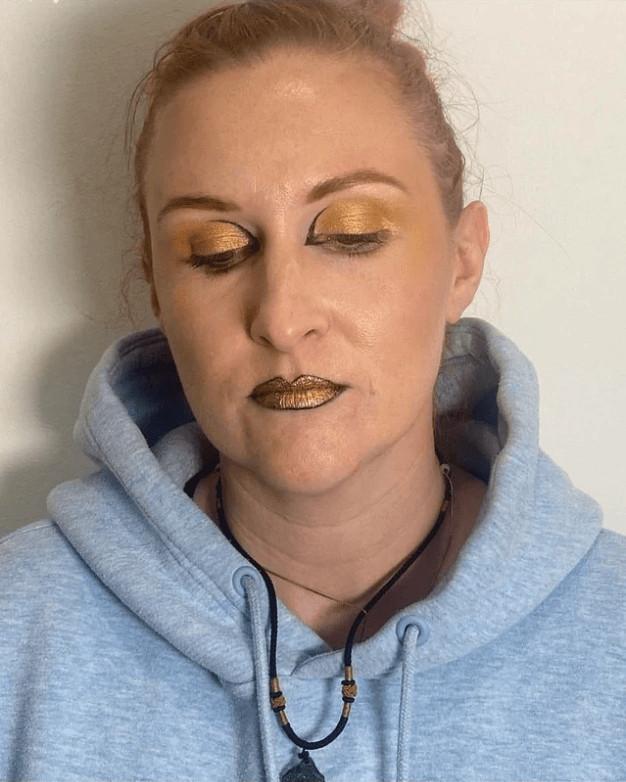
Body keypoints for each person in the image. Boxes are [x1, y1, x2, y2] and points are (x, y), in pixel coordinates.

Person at [1, 0, 624, 780]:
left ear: (462, 262)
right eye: (215, 250)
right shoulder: (18, 634)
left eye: (350, 235)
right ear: (157, 285)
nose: (282, 318)